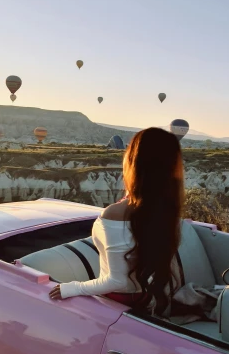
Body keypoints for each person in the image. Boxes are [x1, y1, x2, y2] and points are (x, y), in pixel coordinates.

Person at [49, 127, 185, 317]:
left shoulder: (115, 214)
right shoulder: (168, 211)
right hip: (149, 297)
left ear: (134, 162)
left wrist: (72, 288)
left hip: (116, 303)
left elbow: (118, 281)